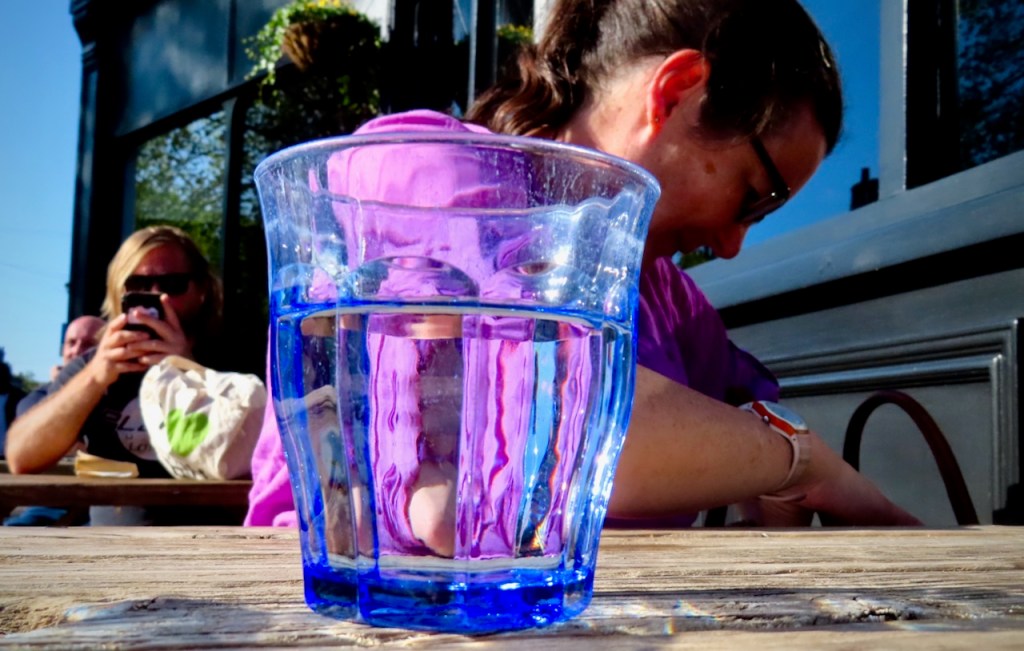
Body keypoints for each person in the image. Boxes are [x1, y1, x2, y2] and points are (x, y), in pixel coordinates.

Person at [245, 0, 920, 536]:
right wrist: (796, 458)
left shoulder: (666, 294)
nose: (734, 244)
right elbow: (564, 419)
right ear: (678, 91)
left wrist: (776, 464)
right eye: (754, 196)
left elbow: (753, 405)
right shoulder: (422, 170)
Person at [4, 225, 224, 483]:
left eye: (172, 284)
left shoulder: (230, 361)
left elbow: (258, 456)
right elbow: (21, 457)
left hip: (211, 522)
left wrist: (189, 371)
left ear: (201, 291)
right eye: (137, 285)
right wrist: (96, 377)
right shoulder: (95, 365)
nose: (155, 294)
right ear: (118, 293)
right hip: (114, 523)